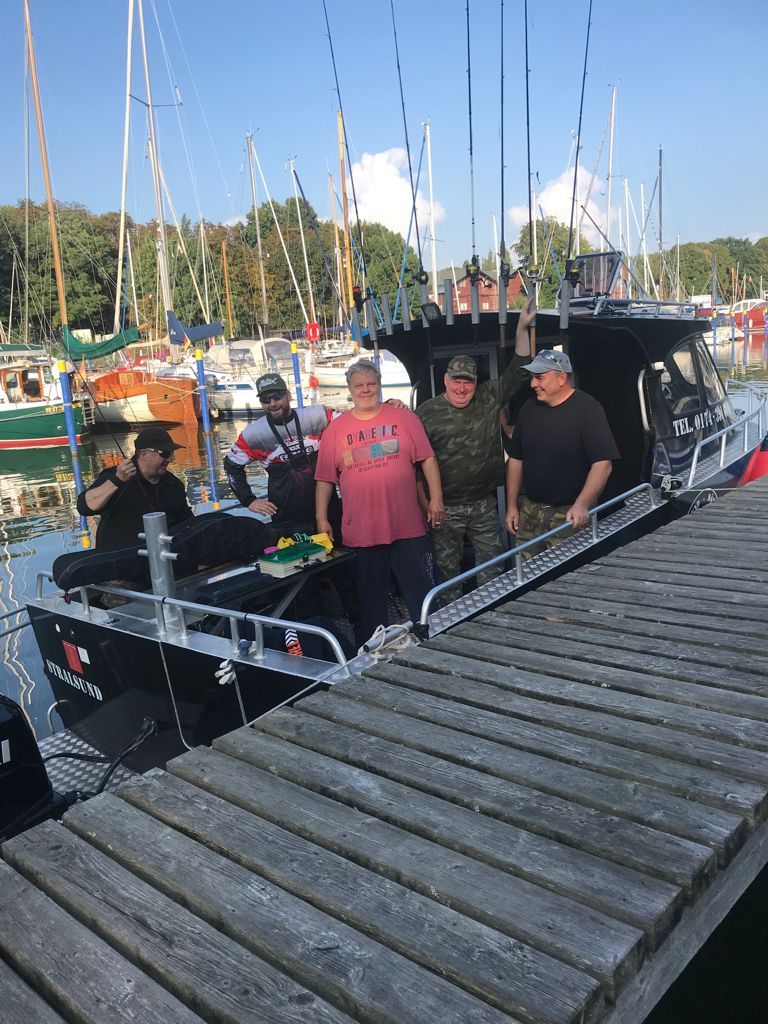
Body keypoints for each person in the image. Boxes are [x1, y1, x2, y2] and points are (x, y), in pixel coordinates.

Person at [314, 358, 444, 643]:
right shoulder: (335, 430)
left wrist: (436, 498)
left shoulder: (405, 418)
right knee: (371, 600)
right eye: (359, 385)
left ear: (379, 385)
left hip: (407, 525)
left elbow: (427, 459)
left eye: (371, 384)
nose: (366, 390)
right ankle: (376, 650)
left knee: (421, 593)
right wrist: (321, 518)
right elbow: (324, 478)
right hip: (363, 531)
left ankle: (433, 640)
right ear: (349, 389)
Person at [415, 299, 535, 598]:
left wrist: (521, 328)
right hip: (444, 509)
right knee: (447, 573)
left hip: (483, 504)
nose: (462, 388)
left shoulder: (488, 395)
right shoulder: (425, 413)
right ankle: (452, 626)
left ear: (476, 382)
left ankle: (491, 613)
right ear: (445, 380)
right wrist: (425, 506)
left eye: (468, 382)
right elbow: (415, 466)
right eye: (456, 381)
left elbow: (518, 370)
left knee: (493, 566)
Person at [504, 348, 620, 555]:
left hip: (569, 515)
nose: (533, 384)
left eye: (539, 378)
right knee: (526, 575)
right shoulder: (529, 408)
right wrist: (512, 506)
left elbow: (603, 464)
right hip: (530, 510)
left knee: (566, 578)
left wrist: (582, 505)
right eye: (532, 378)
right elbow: (515, 459)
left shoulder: (588, 410)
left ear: (561, 378)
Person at [77, 426, 192, 550]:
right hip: (119, 560)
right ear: (143, 454)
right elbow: (84, 507)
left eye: (171, 454)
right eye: (164, 454)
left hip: (162, 556)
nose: (169, 459)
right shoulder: (114, 476)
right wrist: (117, 481)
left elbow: (187, 522)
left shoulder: (174, 484)